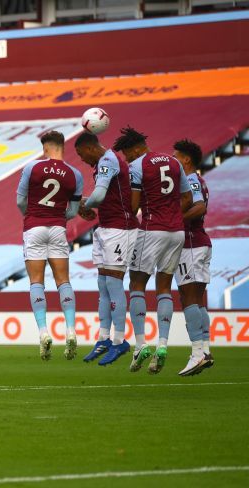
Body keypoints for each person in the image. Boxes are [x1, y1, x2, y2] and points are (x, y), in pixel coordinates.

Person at [113, 127, 201, 374]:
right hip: (177, 232)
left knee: (137, 283)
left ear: (135, 148)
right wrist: (172, 213)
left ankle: (141, 344)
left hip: (152, 229)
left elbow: (132, 205)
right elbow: (187, 198)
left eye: (127, 154)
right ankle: (163, 344)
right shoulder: (173, 163)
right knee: (164, 286)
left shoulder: (138, 167)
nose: (127, 159)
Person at [16, 131, 83, 361]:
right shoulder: (75, 174)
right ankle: (71, 330)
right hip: (57, 228)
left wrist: (31, 215)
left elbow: (20, 201)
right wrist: (57, 215)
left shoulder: (32, 168)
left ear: (45, 148)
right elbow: (73, 212)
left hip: (34, 227)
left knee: (37, 282)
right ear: (62, 147)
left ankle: (44, 332)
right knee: (63, 280)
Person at [74, 132, 139, 365]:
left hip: (121, 228)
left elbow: (99, 195)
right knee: (103, 285)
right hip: (106, 227)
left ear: (90, 148)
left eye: (81, 154)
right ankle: (103, 338)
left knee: (113, 283)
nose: (82, 159)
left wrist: (84, 203)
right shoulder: (104, 162)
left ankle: (119, 340)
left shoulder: (108, 161)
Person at [172, 139, 214, 376]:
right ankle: (205, 351)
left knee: (188, 298)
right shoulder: (199, 180)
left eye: (176, 156)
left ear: (186, 159)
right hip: (200, 243)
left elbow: (199, 207)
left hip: (191, 245)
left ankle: (197, 353)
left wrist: (176, 221)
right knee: (197, 300)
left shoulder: (190, 180)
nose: (173, 161)